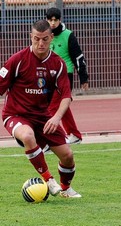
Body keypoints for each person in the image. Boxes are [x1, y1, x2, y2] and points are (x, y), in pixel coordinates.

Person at [0, 20, 81, 198]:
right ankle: (48, 179)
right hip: (15, 114)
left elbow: (66, 96)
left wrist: (56, 118)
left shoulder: (58, 64)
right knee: (28, 136)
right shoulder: (17, 60)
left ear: (51, 38)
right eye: (36, 39)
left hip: (43, 117)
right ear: (31, 37)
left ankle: (65, 189)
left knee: (67, 156)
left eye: (45, 39)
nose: (40, 44)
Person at [45, 7, 89, 145]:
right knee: (63, 107)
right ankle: (74, 135)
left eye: (55, 20)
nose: (52, 23)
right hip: (49, 76)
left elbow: (78, 58)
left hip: (65, 75)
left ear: (59, 20)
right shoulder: (45, 35)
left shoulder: (68, 35)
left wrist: (84, 78)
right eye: (50, 20)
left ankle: (53, 137)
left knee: (52, 107)